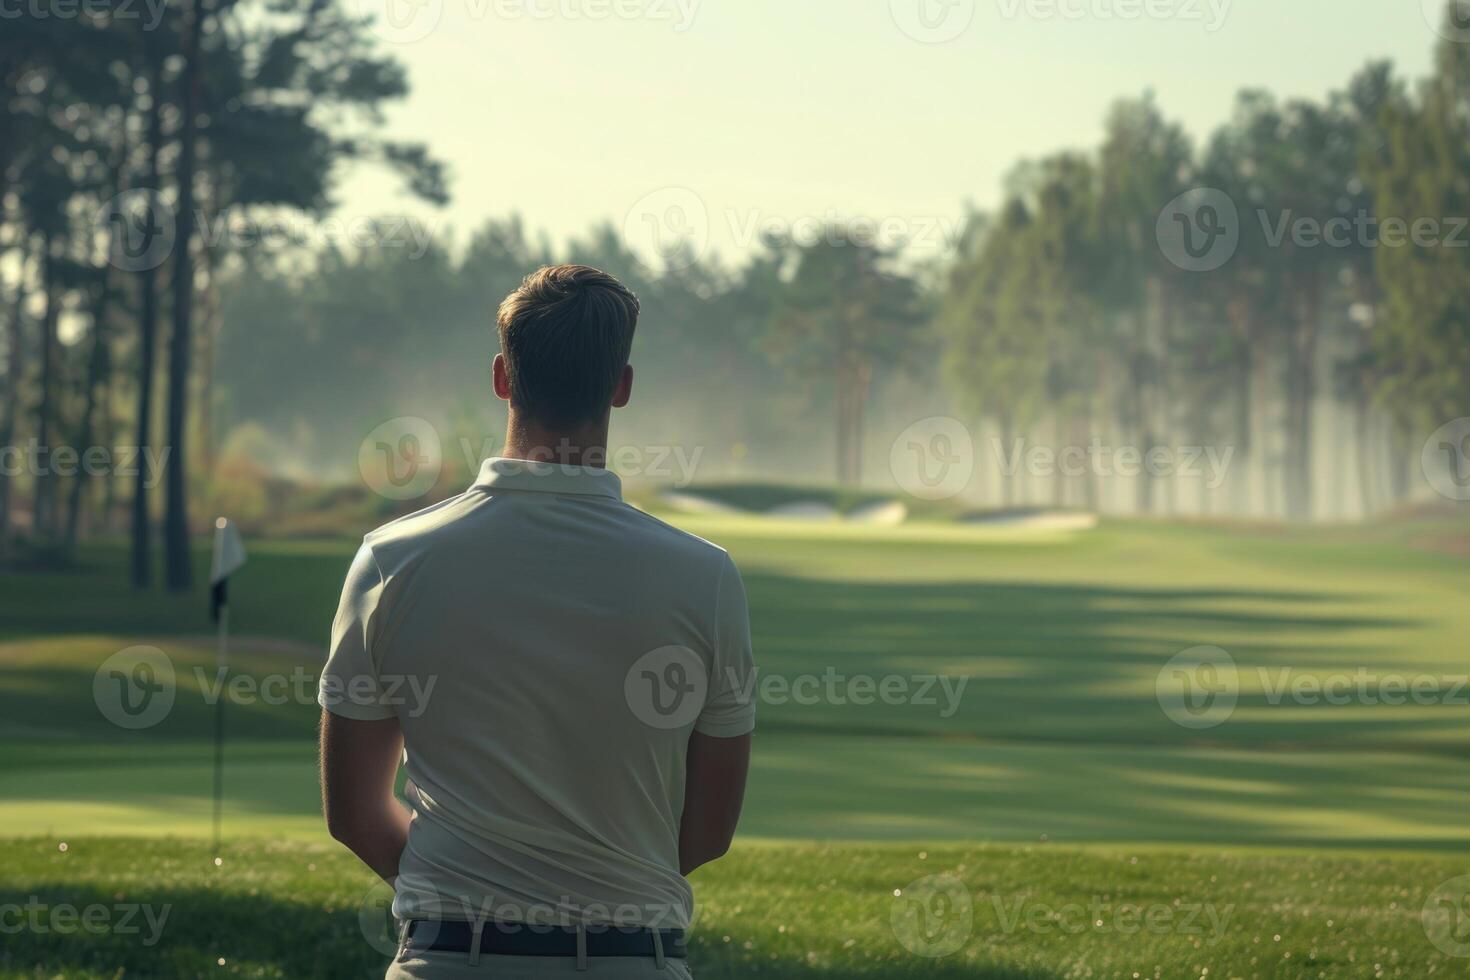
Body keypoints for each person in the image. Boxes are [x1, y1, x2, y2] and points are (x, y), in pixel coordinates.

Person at [318, 265, 755, 978]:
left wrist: (463, 895)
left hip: (448, 959)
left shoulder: (393, 559)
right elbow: (706, 833)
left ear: (501, 377)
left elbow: (355, 814)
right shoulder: (703, 575)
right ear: (621, 385)